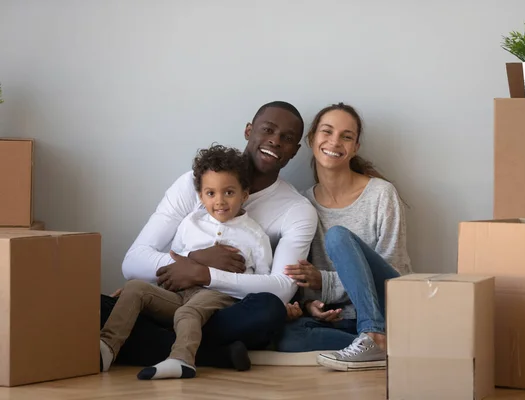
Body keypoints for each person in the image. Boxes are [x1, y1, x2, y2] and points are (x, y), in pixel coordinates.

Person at [101, 101, 318, 370]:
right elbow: (133, 263)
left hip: (226, 312)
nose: (275, 141)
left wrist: (206, 275)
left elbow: (283, 287)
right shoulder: (192, 184)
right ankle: (212, 356)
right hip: (177, 299)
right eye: (268, 130)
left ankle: (159, 346)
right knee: (97, 306)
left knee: (269, 310)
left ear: (294, 151)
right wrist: (193, 261)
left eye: (286, 138)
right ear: (249, 131)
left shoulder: (296, 209)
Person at [100, 145, 273, 380]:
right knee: (135, 288)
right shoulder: (190, 223)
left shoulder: (255, 236)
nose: (220, 201)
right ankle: (106, 348)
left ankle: (181, 360)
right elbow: (177, 264)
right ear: (201, 196)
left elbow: (264, 281)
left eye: (229, 193)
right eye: (211, 193)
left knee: (188, 312)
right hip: (181, 294)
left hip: (218, 296)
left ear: (244, 194)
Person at [279, 102, 412, 372]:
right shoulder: (302, 205)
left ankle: (374, 333)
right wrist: (309, 304)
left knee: (339, 237)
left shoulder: (381, 194)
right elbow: (304, 277)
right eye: (327, 132)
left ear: (355, 148)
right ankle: (376, 345)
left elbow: (394, 272)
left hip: (387, 307)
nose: (334, 142)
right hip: (338, 318)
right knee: (282, 335)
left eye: (346, 136)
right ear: (312, 139)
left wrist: (325, 281)